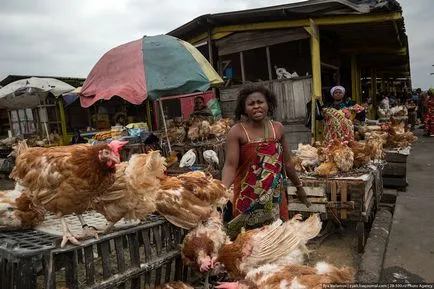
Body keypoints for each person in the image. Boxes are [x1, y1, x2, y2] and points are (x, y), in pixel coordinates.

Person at [221, 84, 310, 239]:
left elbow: (287, 163)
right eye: (251, 104)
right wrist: (221, 192)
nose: (256, 107)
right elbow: (230, 165)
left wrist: (299, 187)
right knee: (247, 243)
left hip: (274, 199)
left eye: (260, 102)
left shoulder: (277, 128)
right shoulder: (238, 131)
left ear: (268, 104)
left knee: (276, 240)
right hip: (247, 198)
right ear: (244, 108)